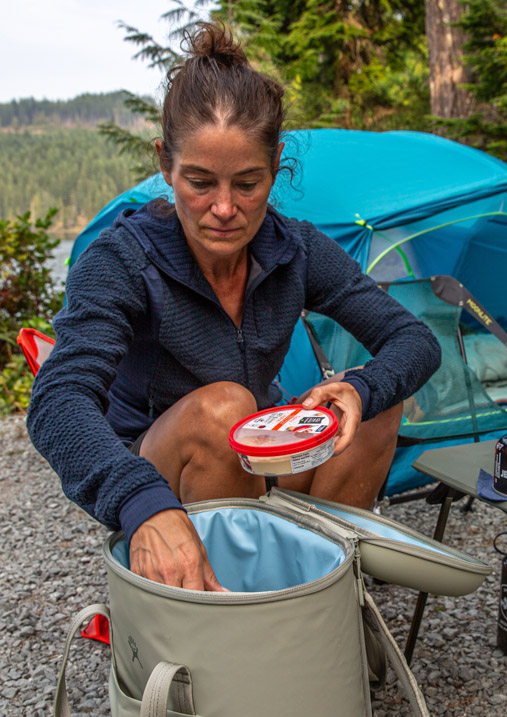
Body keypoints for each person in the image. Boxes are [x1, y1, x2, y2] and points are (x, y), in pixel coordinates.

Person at [27, 22, 441, 592]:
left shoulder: (295, 250)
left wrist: (361, 390)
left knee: (370, 403)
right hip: (160, 475)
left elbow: (416, 341)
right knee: (224, 410)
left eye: (247, 183)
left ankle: (327, 589)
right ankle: (233, 622)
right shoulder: (122, 260)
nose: (224, 208)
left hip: (260, 463)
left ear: (275, 166)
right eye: (199, 182)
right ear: (165, 165)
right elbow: (57, 400)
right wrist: (139, 501)